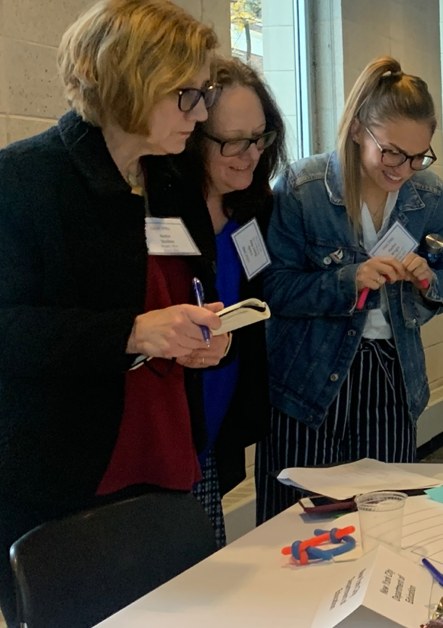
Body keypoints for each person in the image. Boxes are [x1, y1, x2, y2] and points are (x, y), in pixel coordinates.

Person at [0, 0, 227, 625]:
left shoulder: (169, 182)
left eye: (203, 94)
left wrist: (199, 336)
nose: (199, 115)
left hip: (156, 455)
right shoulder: (22, 178)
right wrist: (134, 332)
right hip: (44, 471)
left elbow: (180, 293)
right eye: (186, 94)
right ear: (128, 80)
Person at [255, 56, 443, 521]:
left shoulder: (427, 196)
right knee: (297, 523)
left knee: (387, 519)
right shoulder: (302, 189)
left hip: (392, 379)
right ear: (356, 131)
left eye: (418, 156)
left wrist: (427, 281)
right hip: (308, 380)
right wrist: (345, 281)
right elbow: (271, 289)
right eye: (392, 152)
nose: (404, 168)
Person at [175, 56, 287, 546]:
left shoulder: (254, 209)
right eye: (232, 141)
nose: (250, 154)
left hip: (217, 426)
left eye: (259, 138)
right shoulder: (162, 213)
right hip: (170, 431)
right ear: (195, 135)